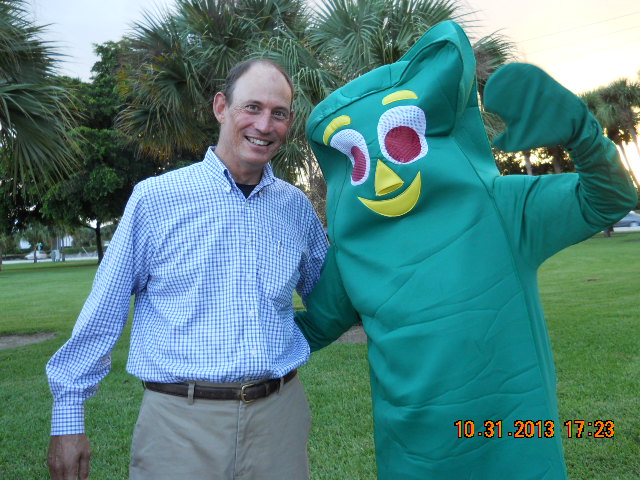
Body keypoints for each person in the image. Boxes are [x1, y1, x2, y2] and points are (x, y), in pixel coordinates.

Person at [295, 21, 637, 479]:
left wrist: (582, 135)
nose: (383, 178)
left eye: (402, 144)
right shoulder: (353, 249)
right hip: (413, 454)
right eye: (358, 159)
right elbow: (312, 327)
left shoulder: (498, 207)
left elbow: (607, 199)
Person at [46, 59, 328, 480]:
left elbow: (331, 293)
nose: (265, 124)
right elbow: (104, 312)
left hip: (279, 420)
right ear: (221, 107)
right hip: (179, 426)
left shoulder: (295, 207)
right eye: (252, 107)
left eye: (279, 113)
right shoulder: (156, 199)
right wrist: (68, 417)